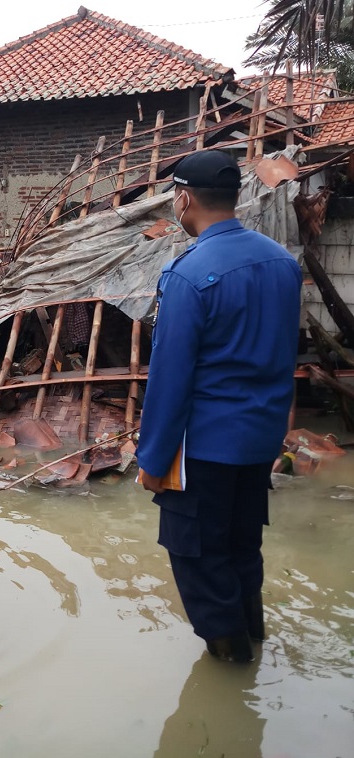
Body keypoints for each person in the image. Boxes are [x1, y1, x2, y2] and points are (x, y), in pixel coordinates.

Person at [137, 150, 302, 662]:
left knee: (199, 559)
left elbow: (170, 379)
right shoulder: (282, 263)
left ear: (184, 199)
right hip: (257, 442)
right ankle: (253, 639)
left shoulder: (188, 274)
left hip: (203, 447)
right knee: (240, 547)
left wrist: (152, 459)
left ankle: (233, 667)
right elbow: (284, 355)